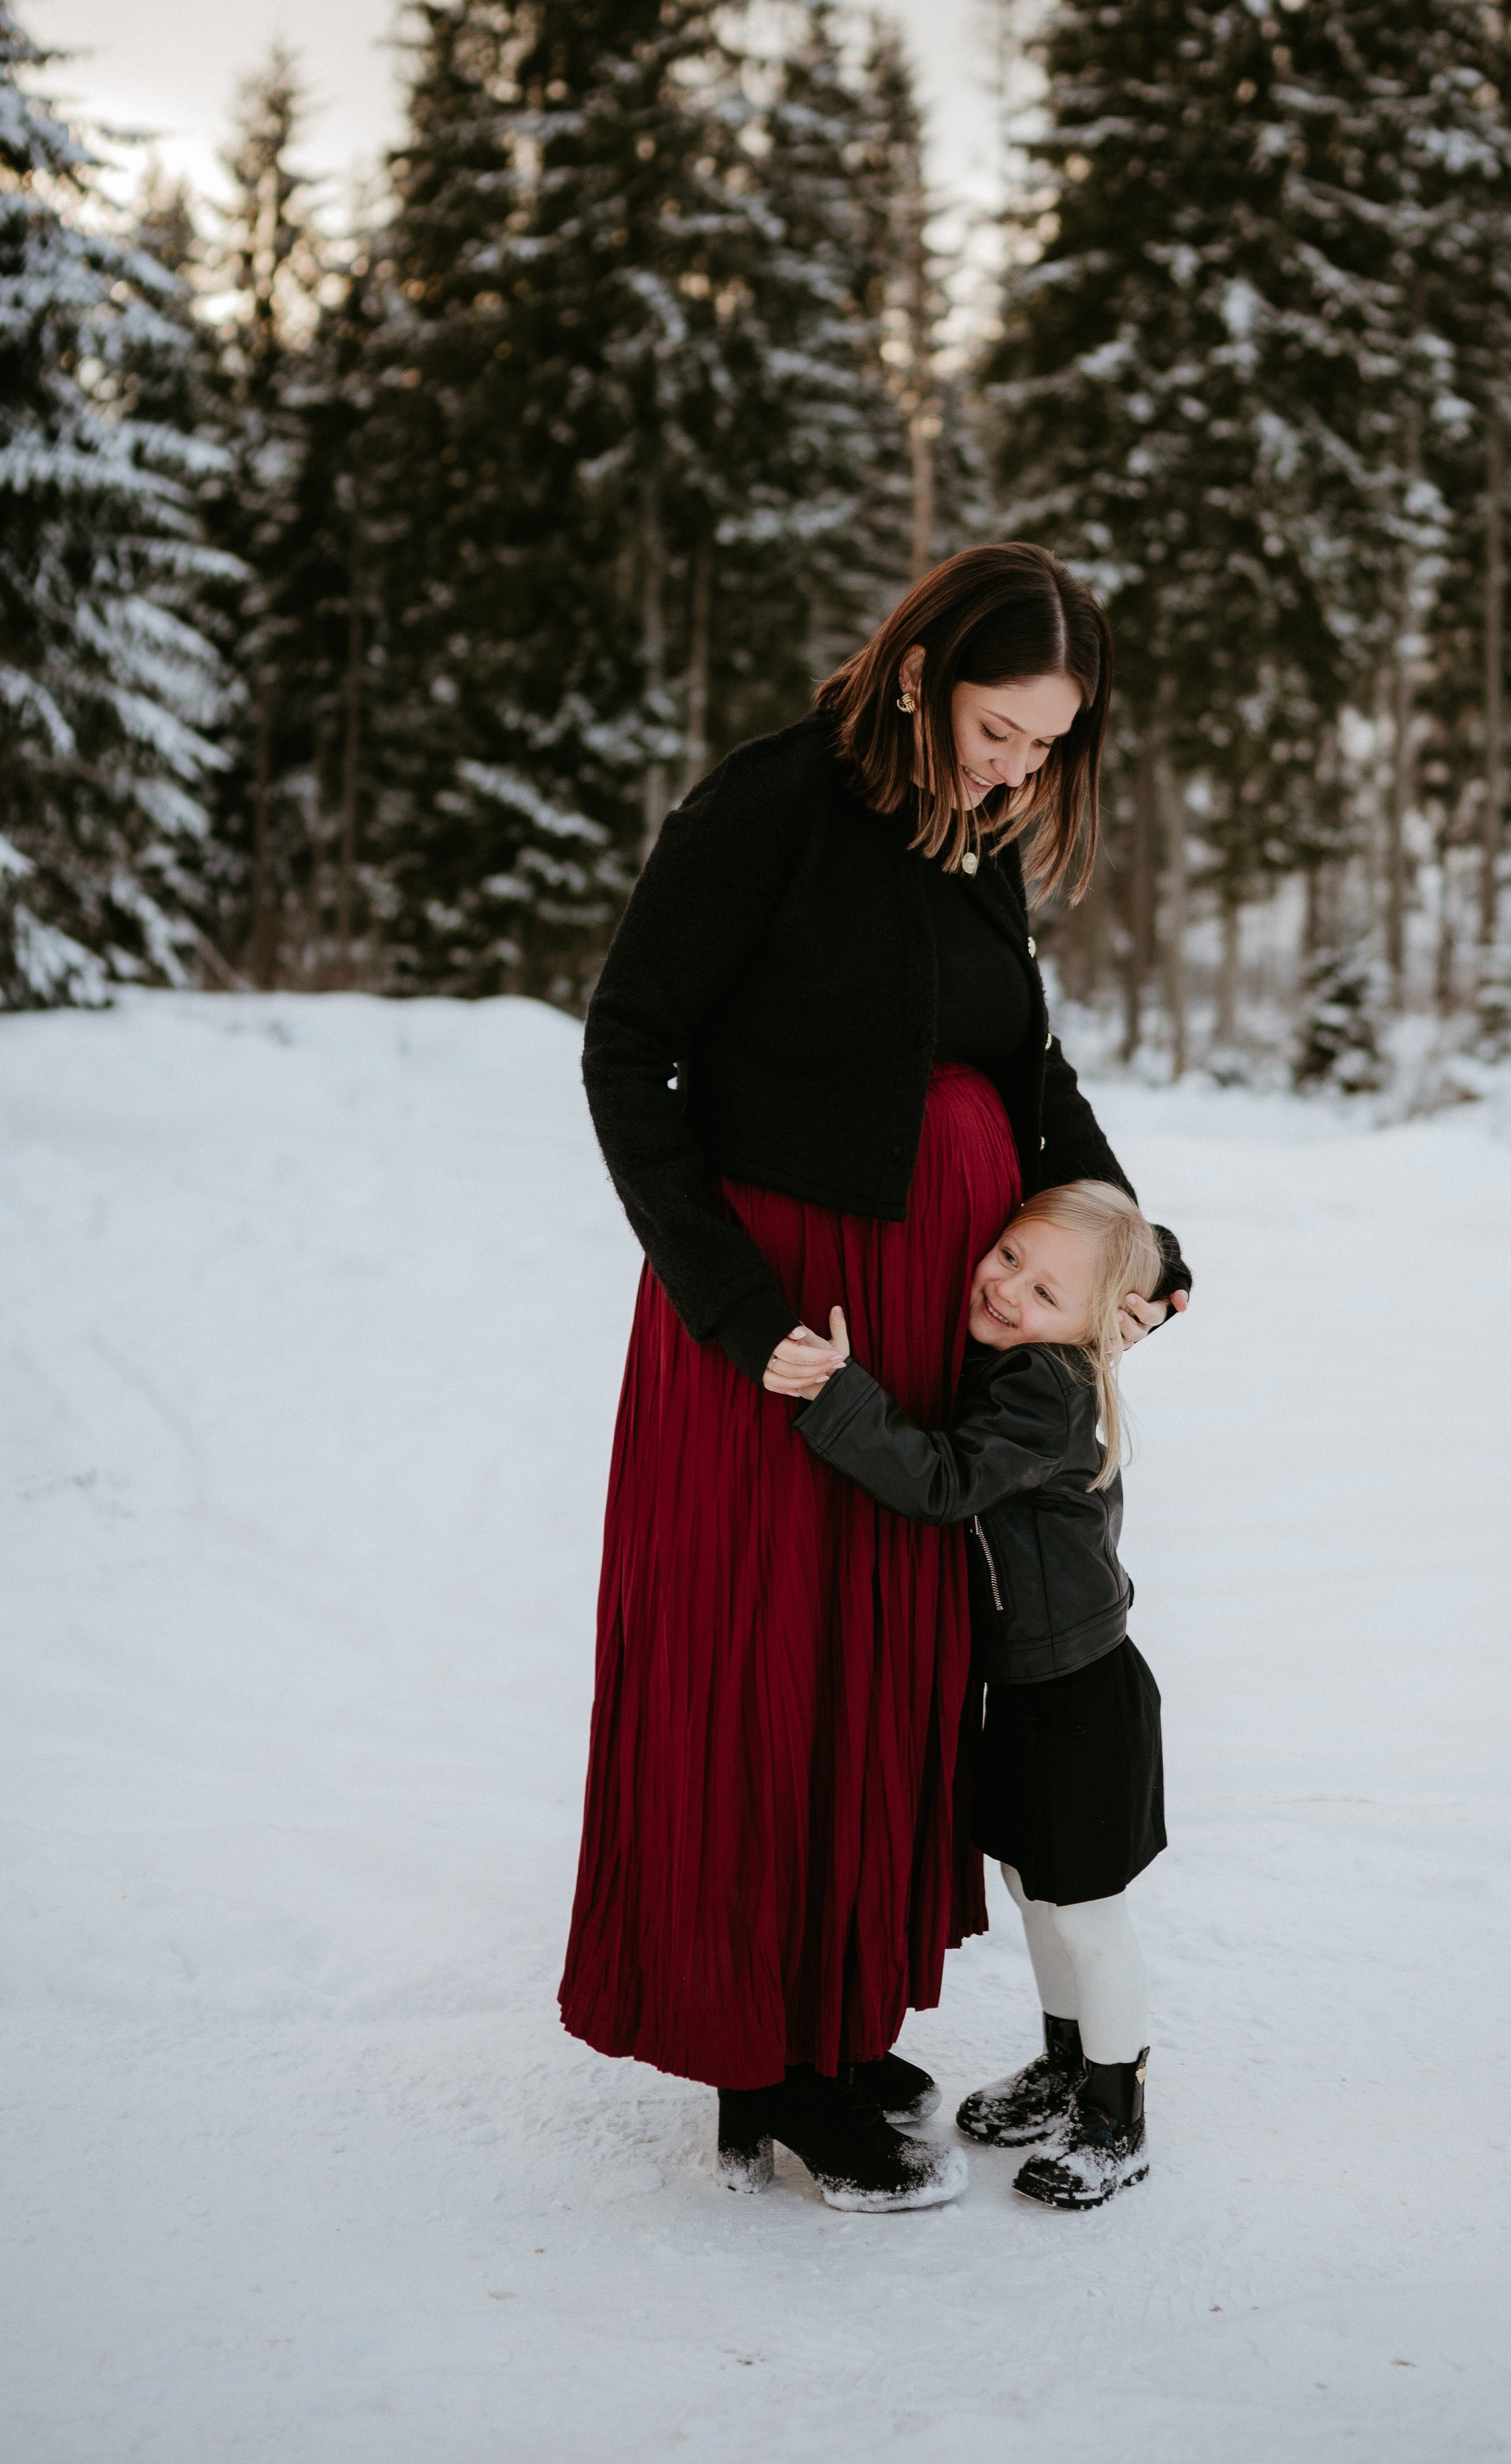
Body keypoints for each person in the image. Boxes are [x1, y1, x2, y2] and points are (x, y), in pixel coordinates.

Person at [558, 543, 1189, 2215]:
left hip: (919, 1326)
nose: (1016, 768)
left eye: (1047, 746)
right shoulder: (762, 805)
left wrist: (1132, 1238)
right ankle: (764, 2070)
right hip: (778, 1332)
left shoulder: (964, 836)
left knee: (880, 1671)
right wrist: (729, 1299)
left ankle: (833, 2022)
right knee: (764, 1661)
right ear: (921, 673)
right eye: (1000, 728)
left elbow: (1022, 1072)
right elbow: (628, 1050)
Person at [772, 1179, 1168, 2212]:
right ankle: (1065, 2062)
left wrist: (841, 1396)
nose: (1007, 1291)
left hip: (1084, 1696)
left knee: (1085, 1915)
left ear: (1096, 1327)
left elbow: (943, 1481)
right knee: (1035, 1894)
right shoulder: (1013, 1358)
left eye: (1045, 1290)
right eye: (1006, 1258)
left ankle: (1116, 2115)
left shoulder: (1049, 1387)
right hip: (1031, 1690)